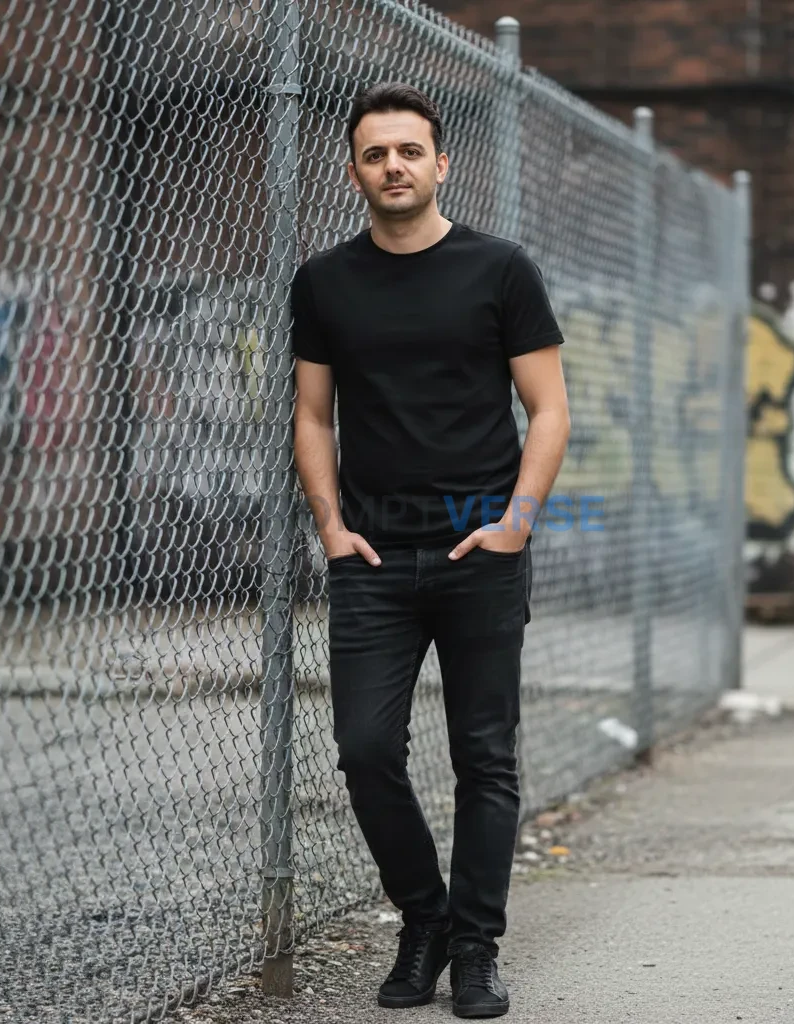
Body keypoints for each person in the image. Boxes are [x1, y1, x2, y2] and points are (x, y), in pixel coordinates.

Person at [289, 82, 570, 1017]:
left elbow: (550, 408)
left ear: (441, 163)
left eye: (410, 151)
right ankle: (426, 919)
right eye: (376, 154)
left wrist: (517, 522)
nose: (393, 167)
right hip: (372, 560)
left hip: (480, 552)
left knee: (484, 756)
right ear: (354, 170)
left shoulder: (500, 270)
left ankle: (478, 948)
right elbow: (311, 413)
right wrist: (330, 526)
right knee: (366, 750)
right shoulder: (324, 280)